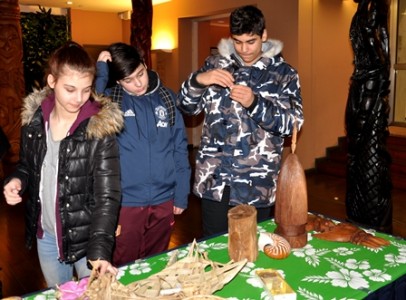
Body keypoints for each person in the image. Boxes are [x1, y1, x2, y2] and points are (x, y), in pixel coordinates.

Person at [3, 41, 123, 287]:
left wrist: (100, 249)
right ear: (52, 81)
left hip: (88, 238)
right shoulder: (35, 121)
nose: (78, 98)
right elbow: (27, 166)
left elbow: (107, 195)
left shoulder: (99, 128)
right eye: (70, 89)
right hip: (46, 236)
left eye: (86, 89)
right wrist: (15, 180)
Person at [177, 5, 304, 237]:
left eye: (251, 41)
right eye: (237, 41)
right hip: (214, 182)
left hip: (256, 185)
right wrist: (199, 80)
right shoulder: (215, 64)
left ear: (264, 35)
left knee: (251, 252)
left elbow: (293, 126)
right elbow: (186, 107)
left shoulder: (284, 74)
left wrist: (255, 103)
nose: (244, 49)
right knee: (214, 250)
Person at [95, 43, 191, 266]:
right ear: (118, 80)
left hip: (164, 199)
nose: (138, 83)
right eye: (128, 80)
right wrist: (101, 71)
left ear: (145, 65)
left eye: (140, 74)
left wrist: (182, 192)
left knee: (156, 263)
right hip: (126, 203)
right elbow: (90, 111)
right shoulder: (111, 102)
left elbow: (179, 147)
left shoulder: (167, 98)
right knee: (123, 263)